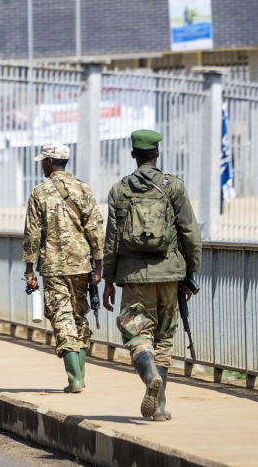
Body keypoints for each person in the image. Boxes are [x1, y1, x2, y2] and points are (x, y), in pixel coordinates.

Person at [103, 129, 202, 421]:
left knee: (136, 334)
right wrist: (190, 273)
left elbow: (111, 241)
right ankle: (158, 407)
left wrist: (108, 280)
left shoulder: (119, 190)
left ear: (134, 154)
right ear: (157, 154)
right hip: (170, 273)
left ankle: (149, 379)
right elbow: (191, 235)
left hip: (133, 276)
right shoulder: (173, 187)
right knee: (164, 337)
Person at [23, 142, 104, 394]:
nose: (42, 166)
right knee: (79, 315)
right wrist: (99, 266)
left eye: (43, 162)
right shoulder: (83, 188)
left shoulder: (40, 192)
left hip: (54, 267)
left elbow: (31, 235)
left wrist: (29, 270)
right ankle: (80, 375)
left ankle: (75, 380)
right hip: (82, 266)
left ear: (49, 162)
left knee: (62, 317)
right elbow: (95, 230)